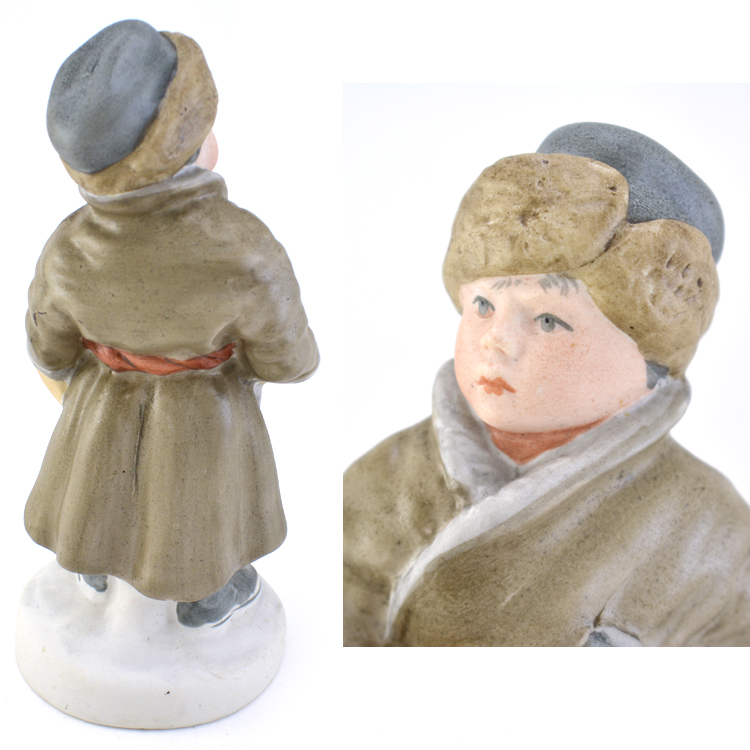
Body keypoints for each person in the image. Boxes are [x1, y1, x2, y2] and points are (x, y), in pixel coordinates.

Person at [343, 123, 750, 647]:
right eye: (484, 305)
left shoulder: (711, 530)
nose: (497, 342)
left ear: (648, 364)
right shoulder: (386, 476)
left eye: (548, 321)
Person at [26, 20, 318, 623]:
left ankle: (95, 562)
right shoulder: (244, 248)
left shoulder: (70, 244)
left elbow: (48, 343)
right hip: (205, 413)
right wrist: (265, 366)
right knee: (198, 506)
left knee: (98, 485)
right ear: (192, 145)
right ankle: (207, 592)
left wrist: (71, 371)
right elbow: (288, 354)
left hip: (103, 399)